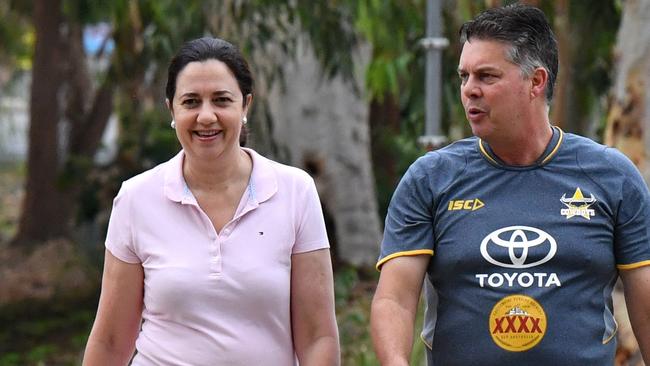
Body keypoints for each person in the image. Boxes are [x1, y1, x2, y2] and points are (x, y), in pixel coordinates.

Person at [371, 4, 650, 365]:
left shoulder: (611, 175)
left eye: (486, 76)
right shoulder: (430, 178)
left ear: (536, 81)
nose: (470, 90)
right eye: (464, 76)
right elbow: (394, 299)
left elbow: (645, 298)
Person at [83, 37, 340, 365]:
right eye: (191, 101)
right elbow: (110, 341)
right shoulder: (136, 199)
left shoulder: (295, 192)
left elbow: (318, 337)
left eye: (221, 100)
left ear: (245, 106)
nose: (206, 116)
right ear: (171, 109)